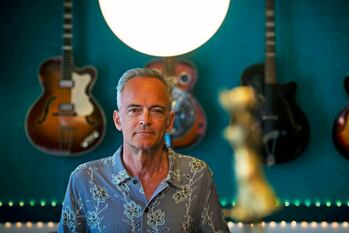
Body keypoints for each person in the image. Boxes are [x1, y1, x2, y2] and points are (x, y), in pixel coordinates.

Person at [58, 68, 230, 233]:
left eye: (156, 110)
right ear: (118, 120)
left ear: (170, 122)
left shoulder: (197, 175)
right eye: (134, 110)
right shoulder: (84, 179)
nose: (145, 120)